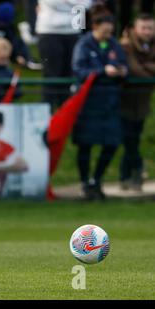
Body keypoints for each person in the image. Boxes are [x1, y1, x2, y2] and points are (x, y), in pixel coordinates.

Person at [71, 5, 128, 200]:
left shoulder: (114, 45)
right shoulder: (83, 45)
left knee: (111, 144)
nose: (107, 34)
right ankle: (85, 182)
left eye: (110, 30)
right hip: (88, 104)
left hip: (110, 103)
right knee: (85, 145)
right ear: (95, 26)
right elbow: (79, 70)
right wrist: (103, 71)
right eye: (104, 30)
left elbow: (124, 65)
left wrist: (121, 71)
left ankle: (97, 179)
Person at [119, 14, 155, 191]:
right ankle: (137, 169)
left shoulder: (151, 46)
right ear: (135, 29)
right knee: (129, 139)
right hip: (123, 101)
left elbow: (139, 70)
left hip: (142, 102)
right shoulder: (125, 45)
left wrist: (144, 68)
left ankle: (126, 177)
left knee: (133, 139)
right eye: (144, 28)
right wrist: (148, 70)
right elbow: (133, 69)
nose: (147, 32)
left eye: (150, 28)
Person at [36, 0, 93, 109]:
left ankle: (64, 118)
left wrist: (67, 3)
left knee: (69, 78)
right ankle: (46, 118)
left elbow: (86, 4)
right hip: (49, 32)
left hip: (75, 31)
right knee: (51, 77)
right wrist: (75, 4)